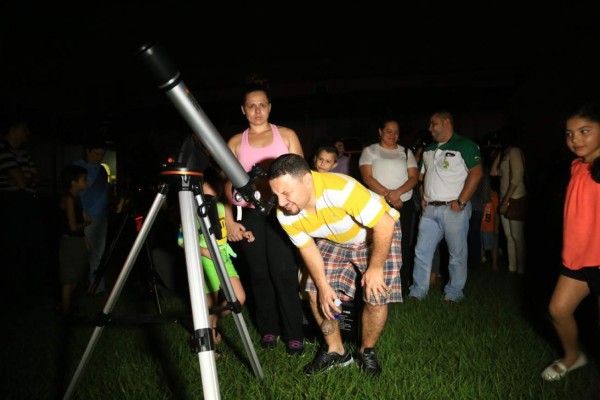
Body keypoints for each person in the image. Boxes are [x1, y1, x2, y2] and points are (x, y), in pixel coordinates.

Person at [268, 153, 402, 377]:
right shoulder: (286, 212)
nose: (280, 202)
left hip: (376, 234)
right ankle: (336, 350)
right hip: (336, 238)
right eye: (276, 194)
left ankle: (366, 350)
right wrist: (323, 286)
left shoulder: (341, 190)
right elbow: (308, 248)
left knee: (376, 293)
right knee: (313, 290)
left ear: (307, 180)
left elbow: (384, 224)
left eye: (285, 193)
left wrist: (375, 269)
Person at [224, 75, 306, 355]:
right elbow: (226, 185)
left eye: (262, 105)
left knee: (284, 273)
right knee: (259, 275)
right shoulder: (236, 142)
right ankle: (268, 330)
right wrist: (231, 219)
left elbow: (304, 176)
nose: (257, 111)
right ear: (243, 110)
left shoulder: (287, 135)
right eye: (251, 106)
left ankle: (294, 333)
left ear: (270, 108)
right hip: (251, 217)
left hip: (282, 213)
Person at [540, 101, 600, 381]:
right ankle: (573, 356)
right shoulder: (577, 167)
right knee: (558, 310)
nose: (576, 139)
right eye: (569, 133)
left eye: (585, 131)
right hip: (577, 259)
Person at [408, 110, 483, 303]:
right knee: (422, 251)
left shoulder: (465, 146)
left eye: (433, 124)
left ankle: (454, 293)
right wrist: (424, 196)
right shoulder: (429, 149)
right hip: (430, 209)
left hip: (454, 208)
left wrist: (461, 202)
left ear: (446, 122)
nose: (430, 128)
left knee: (456, 253)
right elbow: (423, 177)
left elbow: (476, 174)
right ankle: (418, 291)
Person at [178, 166, 251, 346]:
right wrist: (205, 252)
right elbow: (182, 241)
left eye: (215, 189)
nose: (213, 193)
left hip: (224, 259)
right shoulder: (191, 211)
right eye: (208, 188)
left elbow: (228, 229)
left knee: (238, 299)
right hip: (204, 262)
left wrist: (243, 234)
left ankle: (215, 318)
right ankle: (208, 344)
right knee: (207, 306)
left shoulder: (221, 207)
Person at [359, 118, 418, 292]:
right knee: (378, 243)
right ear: (380, 132)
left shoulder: (406, 152)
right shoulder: (370, 151)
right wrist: (389, 195)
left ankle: (402, 285)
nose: (393, 135)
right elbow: (367, 177)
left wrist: (397, 194)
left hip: (403, 204)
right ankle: (377, 284)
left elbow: (413, 178)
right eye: (388, 131)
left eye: (396, 132)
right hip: (379, 204)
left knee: (403, 244)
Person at [0, 120, 47, 280]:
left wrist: (25, 179)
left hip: (27, 200)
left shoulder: (23, 153)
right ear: (15, 129)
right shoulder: (3, 150)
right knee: (16, 240)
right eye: (25, 130)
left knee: (29, 240)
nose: (27, 134)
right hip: (14, 202)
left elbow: (37, 176)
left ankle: (24, 275)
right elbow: (22, 182)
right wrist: (27, 178)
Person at [73, 139, 110, 294]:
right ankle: (74, 286)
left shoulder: (102, 170)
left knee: (99, 253)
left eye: (102, 154)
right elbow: (74, 192)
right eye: (96, 153)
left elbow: (105, 191)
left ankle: (97, 287)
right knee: (83, 253)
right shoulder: (77, 167)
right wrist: (81, 211)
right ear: (87, 150)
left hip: (102, 217)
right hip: (87, 217)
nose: (99, 157)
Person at [490, 131, 527, 274]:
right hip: (504, 198)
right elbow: (493, 172)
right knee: (508, 235)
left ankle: (521, 269)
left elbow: (517, 176)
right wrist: (500, 153)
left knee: (517, 236)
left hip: (515, 198)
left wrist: (506, 200)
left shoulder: (515, 151)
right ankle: (513, 268)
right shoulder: (506, 153)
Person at [57, 165, 91, 317]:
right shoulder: (69, 199)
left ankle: (66, 305)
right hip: (69, 242)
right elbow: (72, 226)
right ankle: (65, 312)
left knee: (76, 276)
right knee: (68, 280)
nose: (87, 182)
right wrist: (87, 223)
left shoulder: (76, 198)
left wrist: (84, 239)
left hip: (76, 241)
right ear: (73, 182)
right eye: (84, 179)